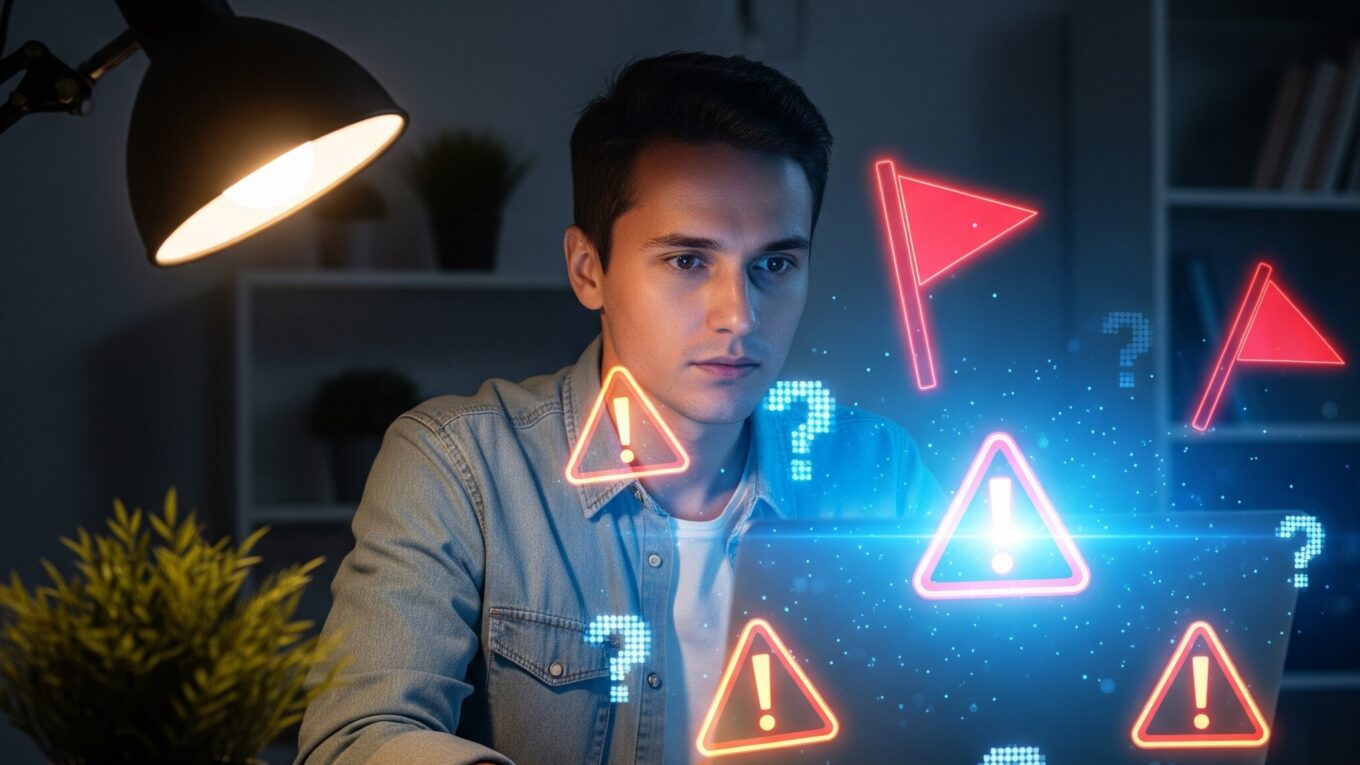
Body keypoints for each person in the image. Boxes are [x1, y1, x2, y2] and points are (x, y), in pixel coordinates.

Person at [295, 50, 943, 765]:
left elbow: (970, 713)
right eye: (688, 260)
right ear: (588, 270)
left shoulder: (882, 473)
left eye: (775, 263)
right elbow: (356, 736)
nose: (740, 315)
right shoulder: (461, 466)